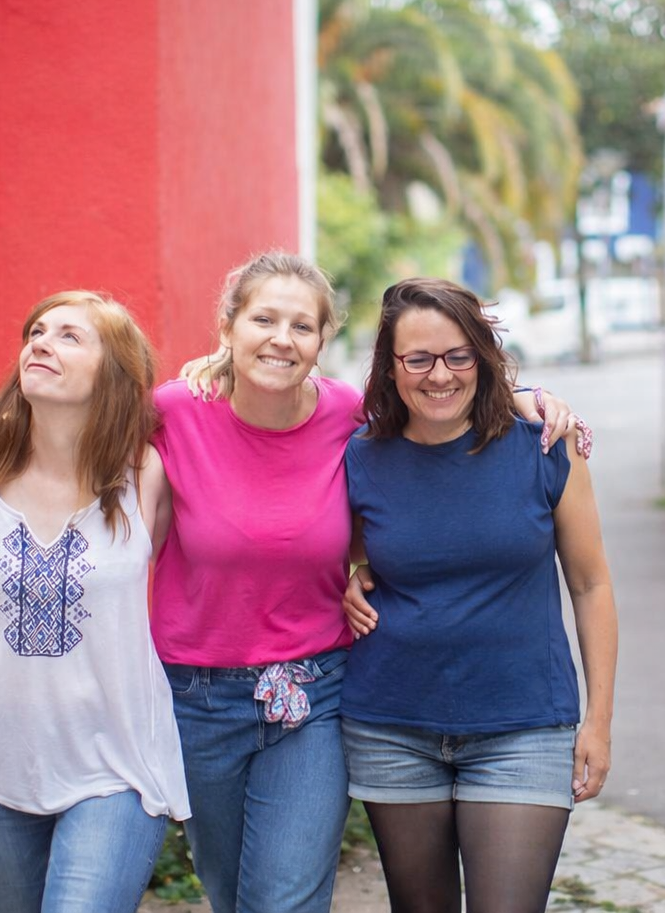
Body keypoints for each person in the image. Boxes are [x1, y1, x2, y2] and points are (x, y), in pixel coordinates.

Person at [151, 251, 588, 913]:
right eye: (263, 319)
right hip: (199, 696)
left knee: (285, 902)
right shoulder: (174, 413)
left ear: (324, 342)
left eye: (302, 325)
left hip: (313, 693)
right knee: (229, 889)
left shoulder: (347, 416)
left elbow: (437, 415)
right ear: (228, 326)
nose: (281, 338)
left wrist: (528, 397)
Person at [340, 277, 618, 913]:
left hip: (523, 725)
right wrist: (347, 575)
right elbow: (332, 548)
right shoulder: (361, 456)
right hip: (392, 726)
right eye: (419, 358)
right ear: (391, 365)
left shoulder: (544, 444)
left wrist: (598, 722)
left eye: (457, 355)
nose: (440, 375)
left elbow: (591, 583)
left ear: (482, 357)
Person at [0, 290, 189, 913]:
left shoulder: (146, 474)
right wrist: (11, 600)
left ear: (114, 374)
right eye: (38, 331)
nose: (41, 342)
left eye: (70, 336)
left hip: (114, 767)